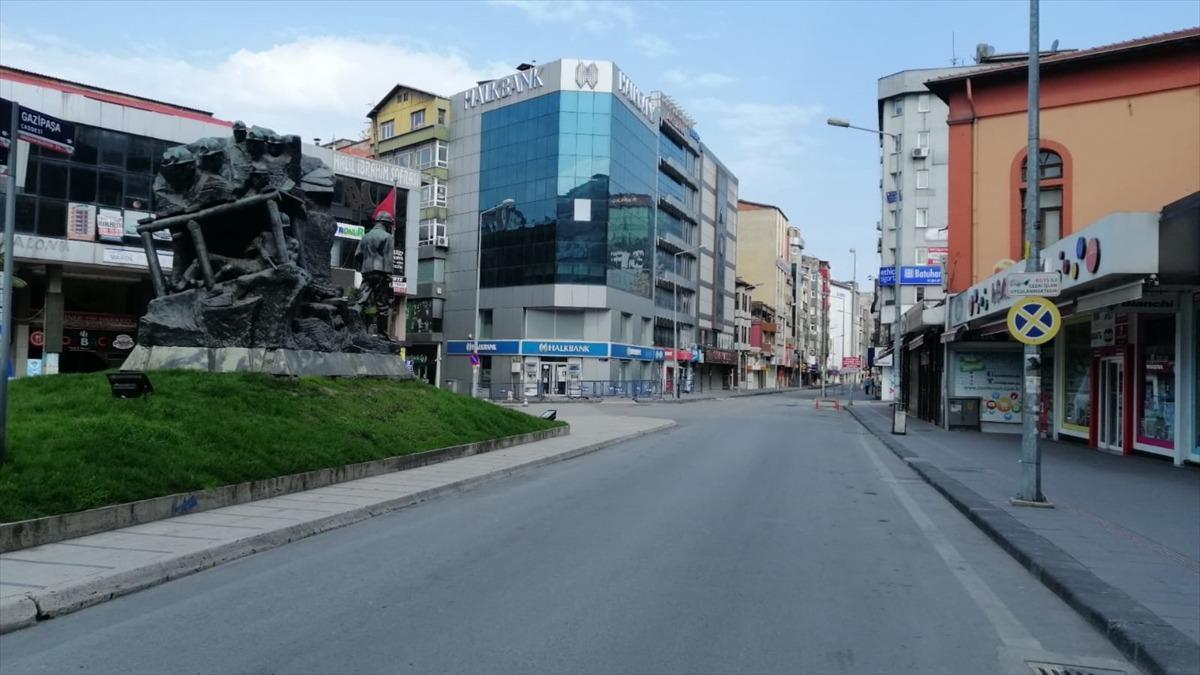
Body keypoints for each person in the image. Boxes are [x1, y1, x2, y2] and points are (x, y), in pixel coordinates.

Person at [354, 211, 396, 335]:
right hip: (381, 272)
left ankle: (356, 328)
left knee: (362, 300)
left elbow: (357, 254)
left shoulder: (365, 236)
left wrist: (363, 266)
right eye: (389, 224)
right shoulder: (388, 237)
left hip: (366, 271)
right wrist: (389, 275)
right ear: (385, 223)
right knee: (383, 304)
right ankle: (382, 334)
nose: (390, 227)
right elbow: (388, 257)